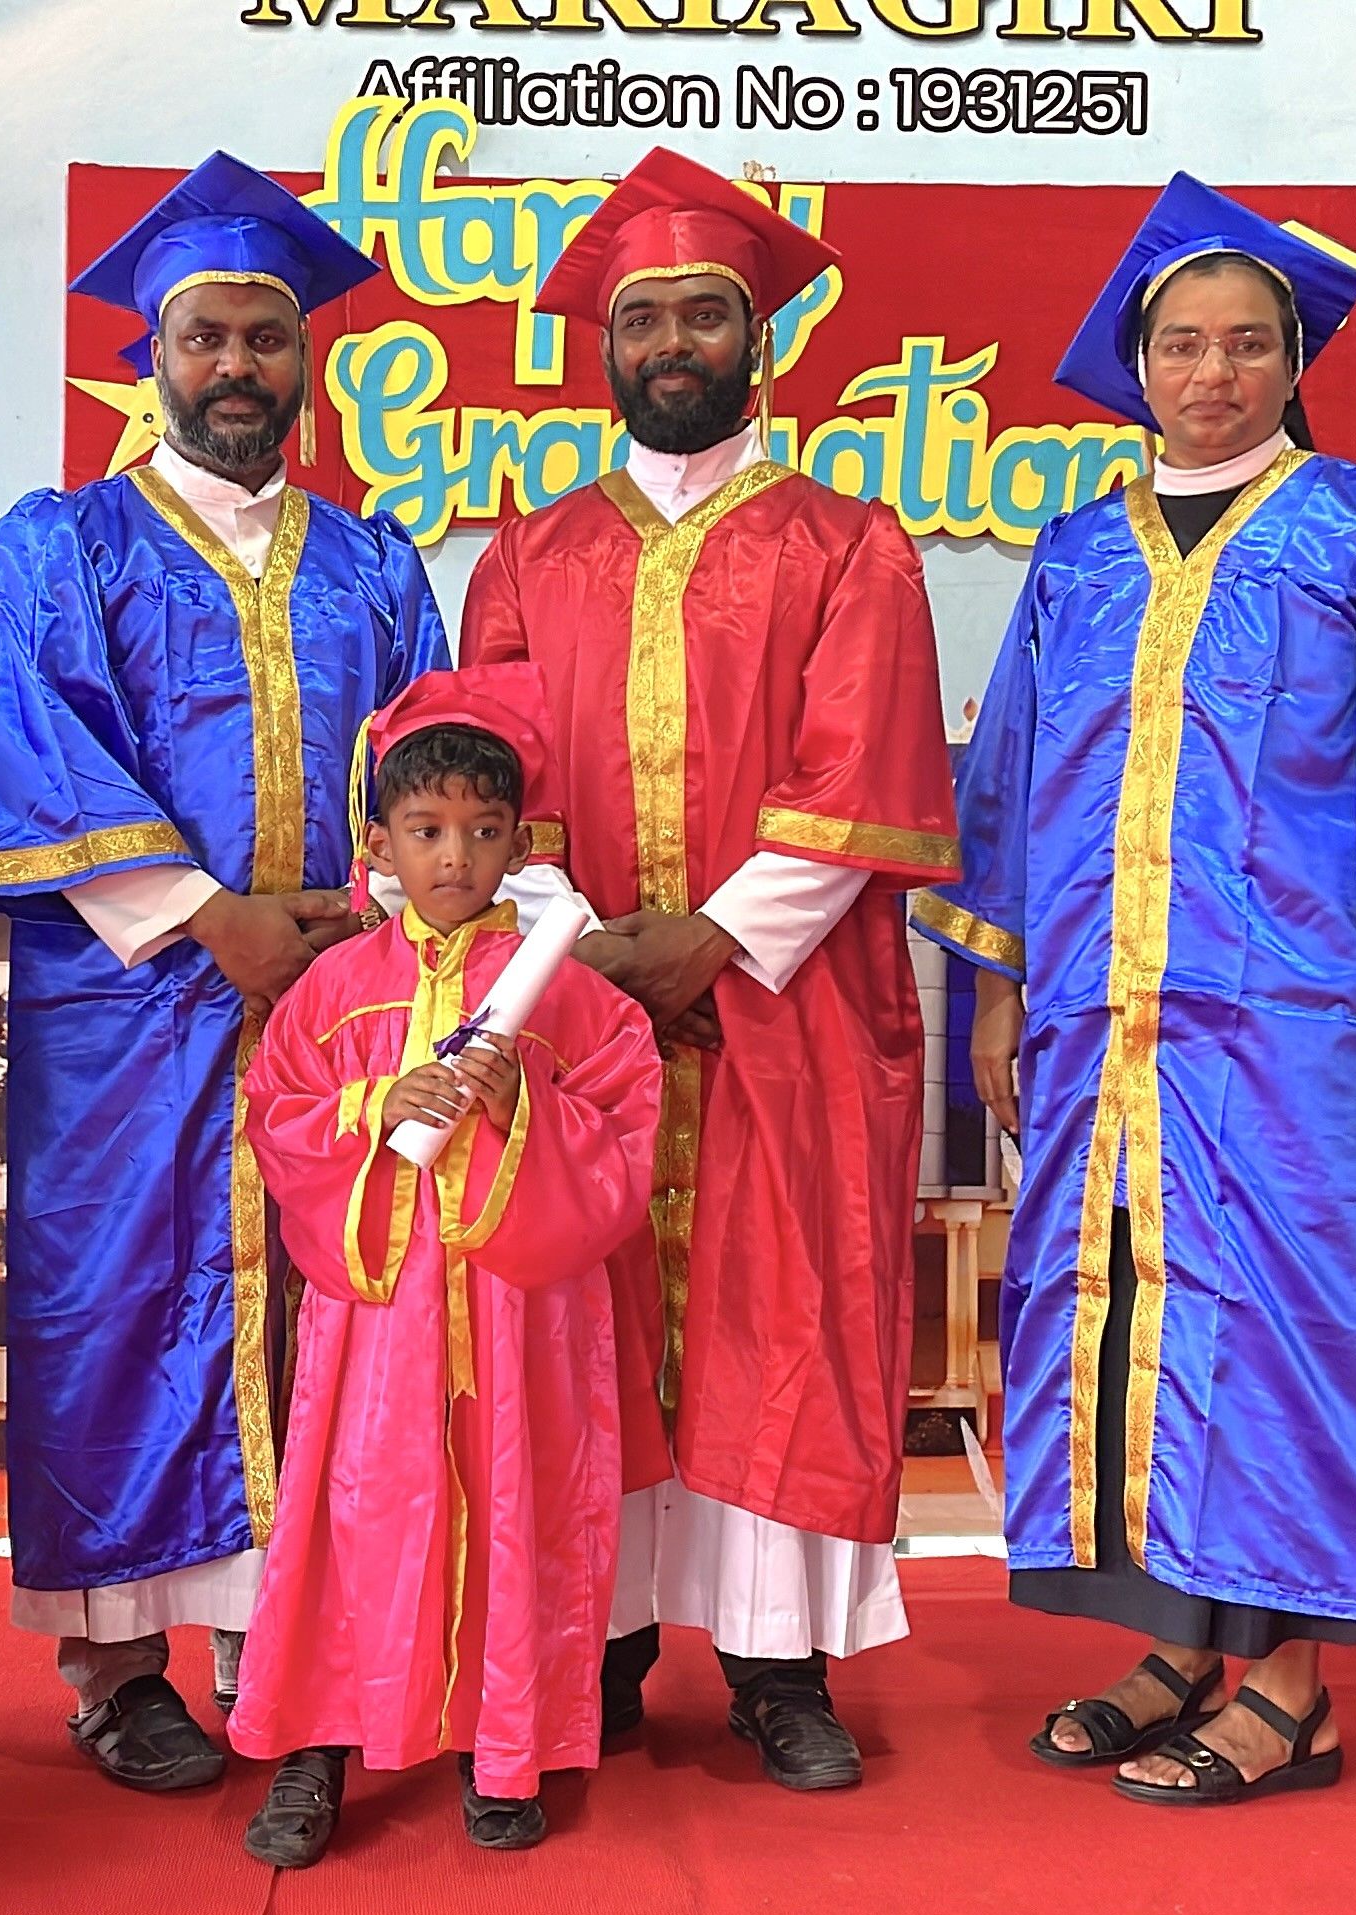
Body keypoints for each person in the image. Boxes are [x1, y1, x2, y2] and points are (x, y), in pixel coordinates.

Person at [921, 175, 1356, 1806]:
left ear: (1292, 362)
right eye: (1184, 344)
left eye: (1248, 343)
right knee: (1121, 1313)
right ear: (1140, 365)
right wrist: (998, 987)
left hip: (1298, 1023)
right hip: (1102, 1016)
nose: (1214, 372)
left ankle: (1292, 1687)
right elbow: (1014, 782)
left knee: (1280, 1333)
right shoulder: (1080, 555)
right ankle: (1174, 1647)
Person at [458, 147, 960, 1792]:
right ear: (603, 345)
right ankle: (594, 1647)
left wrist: (710, 940)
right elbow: (492, 787)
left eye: (705, 314)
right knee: (580, 1308)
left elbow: (863, 767)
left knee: (783, 1313)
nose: (673, 341)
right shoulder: (527, 559)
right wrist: (584, 945)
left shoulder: (848, 545)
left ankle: (776, 1663)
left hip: (788, 1007)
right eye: (644, 317)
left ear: (760, 339)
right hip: (579, 1004)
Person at [0, 153, 450, 1790]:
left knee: (327, 1298)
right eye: (205, 338)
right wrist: (205, 914)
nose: (236, 365)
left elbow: (434, 766)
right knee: (121, 1300)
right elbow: (36, 746)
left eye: (265, 337)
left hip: (339, 998)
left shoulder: (375, 567)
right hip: (133, 1008)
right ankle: (116, 1666)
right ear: (153, 358)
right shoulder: (66, 545)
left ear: (307, 357)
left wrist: (365, 922)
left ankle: (280, 1640)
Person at [227, 672, 662, 1867]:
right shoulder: (334, 988)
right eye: (425, 831)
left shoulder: (568, 996)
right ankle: (316, 1745)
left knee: (518, 1512)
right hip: (379, 1321)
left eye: (481, 832)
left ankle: (501, 1744)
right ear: (380, 844)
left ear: (521, 845)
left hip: (520, 1315)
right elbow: (278, 1118)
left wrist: (524, 1107)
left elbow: (626, 1138)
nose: (454, 857)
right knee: (352, 1519)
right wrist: (376, 1104)